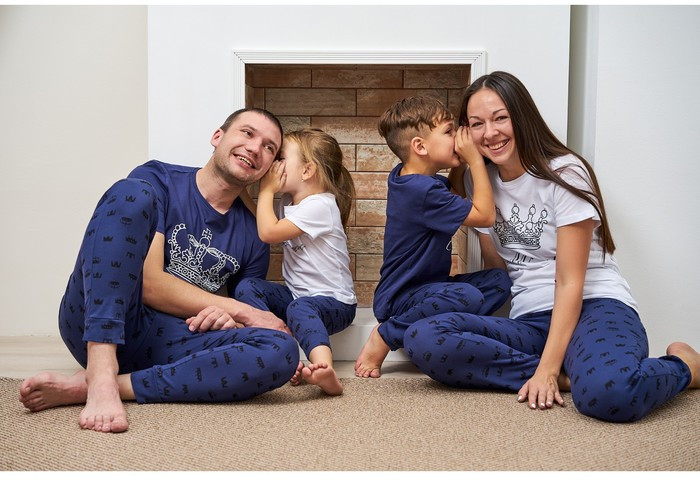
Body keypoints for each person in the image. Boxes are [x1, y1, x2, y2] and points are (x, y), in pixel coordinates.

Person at [403, 71, 700, 422]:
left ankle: (686, 366)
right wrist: (467, 164)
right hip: (532, 321)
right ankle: (575, 377)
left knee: (612, 396)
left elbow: (570, 282)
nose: (490, 133)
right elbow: (499, 268)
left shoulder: (566, 172)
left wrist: (545, 369)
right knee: (423, 337)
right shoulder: (477, 180)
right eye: (477, 124)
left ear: (522, 116)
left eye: (501, 118)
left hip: (594, 306)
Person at [19, 108, 301, 432]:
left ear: (269, 166)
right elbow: (150, 285)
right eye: (247, 133)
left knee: (280, 350)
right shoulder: (158, 179)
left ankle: (105, 385)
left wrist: (226, 318)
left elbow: (241, 317)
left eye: (268, 147)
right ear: (217, 137)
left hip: (172, 340)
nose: (255, 148)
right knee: (130, 192)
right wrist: (240, 310)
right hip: (102, 320)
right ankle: (101, 367)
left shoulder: (254, 236)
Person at [354, 96, 512, 378]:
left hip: (430, 290)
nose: (458, 137)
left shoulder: (411, 178)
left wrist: (459, 162)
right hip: (401, 299)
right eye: (449, 131)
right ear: (420, 146)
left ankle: (432, 326)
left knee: (499, 281)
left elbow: (455, 196)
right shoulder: (422, 191)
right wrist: (475, 161)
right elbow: (485, 216)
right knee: (467, 296)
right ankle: (386, 335)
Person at [235, 128, 356, 396]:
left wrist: (266, 190)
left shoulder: (321, 206)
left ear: (307, 170)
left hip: (336, 303)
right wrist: (241, 189)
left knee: (301, 308)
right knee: (247, 287)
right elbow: (263, 220)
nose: (274, 165)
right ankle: (278, 341)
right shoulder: (289, 201)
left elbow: (268, 233)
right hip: (298, 297)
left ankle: (325, 368)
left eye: (280, 158)